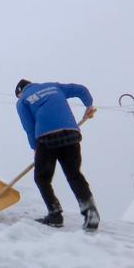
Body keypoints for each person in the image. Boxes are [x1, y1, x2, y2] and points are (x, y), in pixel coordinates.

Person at [15, 79, 100, 230]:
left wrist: (36, 148)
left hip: (47, 137)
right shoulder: (53, 86)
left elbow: (29, 127)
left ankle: (55, 214)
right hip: (71, 133)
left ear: (20, 92)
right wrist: (89, 105)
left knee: (42, 177)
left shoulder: (22, 101)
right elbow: (80, 89)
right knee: (74, 175)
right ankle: (90, 213)